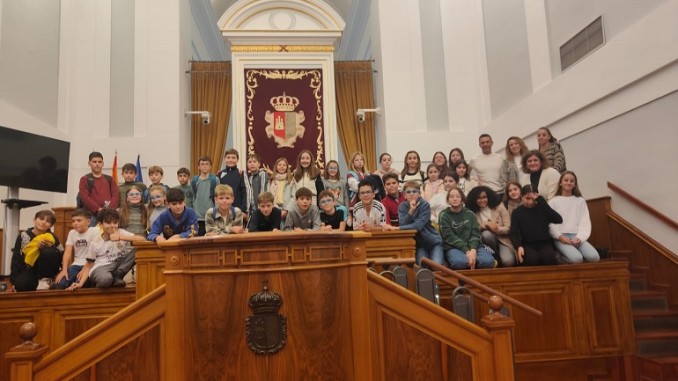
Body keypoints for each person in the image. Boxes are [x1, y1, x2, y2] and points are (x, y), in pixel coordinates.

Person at [548, 171, 600, 264]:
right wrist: (559, 237)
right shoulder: (553, 201)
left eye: (572, 181)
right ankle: (559, 256)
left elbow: (584, 222)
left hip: (576, 236)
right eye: (566, 180)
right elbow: (550, 223)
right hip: (560, 237)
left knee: (594, 257)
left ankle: (573, 253)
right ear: (560, 183)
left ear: (575, 184)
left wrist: (580, 238)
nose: (569, 182)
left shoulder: (580, 201)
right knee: (577, 259)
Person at [439, 188, 495, 270]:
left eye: (458, 196)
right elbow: (449, 237)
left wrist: (473, 250)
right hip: (454, 247)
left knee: (488, 261)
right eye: (451, 197)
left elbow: (475, 233)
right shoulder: (444, 215)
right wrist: (466, 251)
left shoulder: (470, 214)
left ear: (462, 199)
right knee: (460, 262)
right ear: (448, 200)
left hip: (474, 247)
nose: (455, 199)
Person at [87, 209, 145, 288]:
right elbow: (89, 263)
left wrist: (120, 237)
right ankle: (108, 280)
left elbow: (142, 240)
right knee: (106, 280)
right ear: (101, 224)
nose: (112, 225)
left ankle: (116, 276)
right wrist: (80, 282)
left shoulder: (121, 232)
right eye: (108, 222)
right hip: (102, 266)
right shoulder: (95, 242)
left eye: (115, 222)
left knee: (140, 250)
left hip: (118, 266)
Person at [390, 181, 443, 267]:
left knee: (436, 266)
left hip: (433, 242)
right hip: (420, 245)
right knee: (422, 266)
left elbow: (418, 226)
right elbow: (403, 224)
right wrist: (411, 211)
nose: (411, 194)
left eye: (414, 191)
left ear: (419, 194)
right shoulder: (402, 207)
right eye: (408, 192)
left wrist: (397, 228)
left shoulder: (425, 205)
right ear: (404, 195)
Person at [9, 210, 64, 292]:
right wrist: (13, 281)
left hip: (48, 272)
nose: (43, 222)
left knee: (48, 250)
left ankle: (46, 281)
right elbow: (16, 258)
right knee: (22, 285)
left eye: (48, 221)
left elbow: (61, 255)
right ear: (34, 220)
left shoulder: (52, 237)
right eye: (41, 219)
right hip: (29, 269)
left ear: (51, 226)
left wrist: (50, 247)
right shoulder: (23, 236)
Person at [510, 185, 563, 266]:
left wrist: (542, 201)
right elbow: (513, 232)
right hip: (527, 245)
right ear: (521, 197)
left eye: (533, 199)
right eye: (527, 198)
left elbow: (558, 219)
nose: (531, 202)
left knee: (548, 257)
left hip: (545, 243)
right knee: (532, 259)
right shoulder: (517, 212)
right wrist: (518, 246)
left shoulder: (542, 207)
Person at [467, 186, 516, 267]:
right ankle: (494, 257)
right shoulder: (473, 212)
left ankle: (498, 257)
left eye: (484, 197)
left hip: (502, 240)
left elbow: (509, 228)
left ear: (489, 197)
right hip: (485, 243)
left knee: (508, 261)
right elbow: (473, 230)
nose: (482, 200)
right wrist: (486, 224)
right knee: (486, 234)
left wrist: (496, 228)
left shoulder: (499, 206)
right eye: (479, 198)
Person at [55, 209, 100, 290]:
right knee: (59, 285)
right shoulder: (72, 233)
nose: (75, 223)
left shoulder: (95, 231)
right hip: (75, 265)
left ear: (88, 222)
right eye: (73, 221)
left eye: (79, 220)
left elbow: (94, 254)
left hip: (89, 265)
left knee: (79, 285)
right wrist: (64, 270)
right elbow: (67, 252)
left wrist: (84, 270)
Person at [78, 151, 119, 226]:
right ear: (89, 163)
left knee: (109, 237)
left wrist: (108, 211)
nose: (97, 164)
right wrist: (98, 209)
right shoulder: (84, 179)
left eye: (100, 162)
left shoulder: (110, 179)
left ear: (103, 164)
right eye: (94, 162)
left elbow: (115, 196)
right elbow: (85, 197)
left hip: (108, 216)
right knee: (92, 237)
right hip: (92, 216)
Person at [469, 134, 507, 198]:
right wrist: (473, 180)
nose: (485, 144)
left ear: (492, 143)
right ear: (479, 145)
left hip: (501, 192)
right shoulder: (474, 159)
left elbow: (507, 175)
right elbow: (465, 173)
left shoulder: (501, 158)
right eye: (482, 143)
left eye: (487, 142)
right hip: (485, 194)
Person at [192, 156, 219, 236]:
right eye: (202, 164)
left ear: (210, 167)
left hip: (211, 215)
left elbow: (218, 197)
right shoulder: (194, 180)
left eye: (207, 164)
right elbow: (194, 196)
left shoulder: (215, 180)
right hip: (198, 217)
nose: (204, 166)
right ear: (199, 167)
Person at [217, 149, 248, 216]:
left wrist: (242, 209)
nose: (230, 160)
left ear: (237, 160)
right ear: (224, 159)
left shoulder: (241, 174)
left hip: (238, 210)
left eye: (233, 158)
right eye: (228, 157)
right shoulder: (220, 174)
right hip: (222, 210)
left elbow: (245, 192)